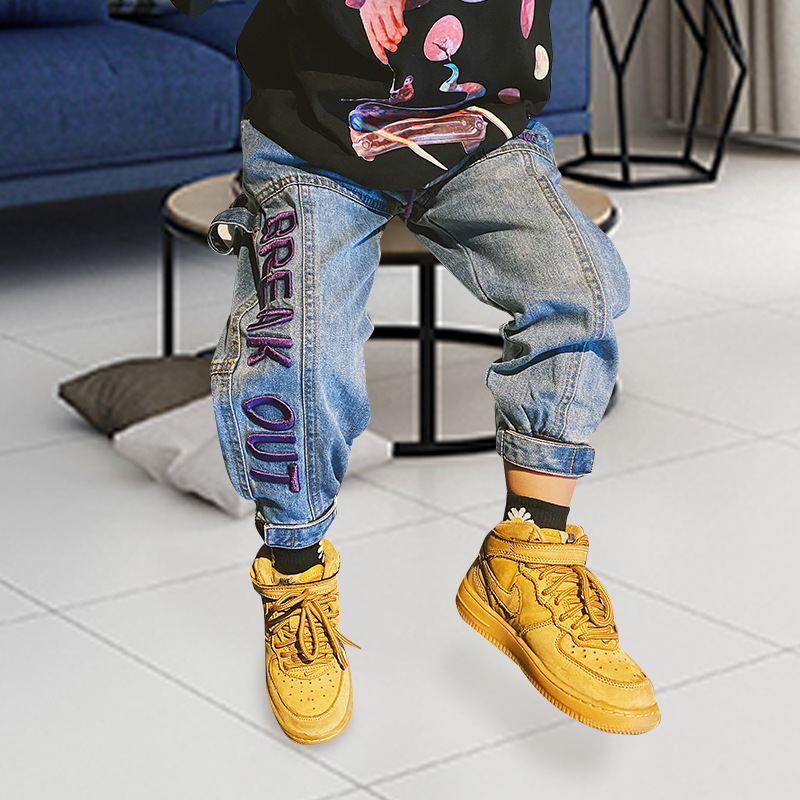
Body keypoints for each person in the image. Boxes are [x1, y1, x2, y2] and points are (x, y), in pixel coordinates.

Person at [174, 0, 660, 743]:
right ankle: (296, 579)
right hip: (313, 137)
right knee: (299, 342)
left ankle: (529, 555)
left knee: (580, 291)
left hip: (482, 133)